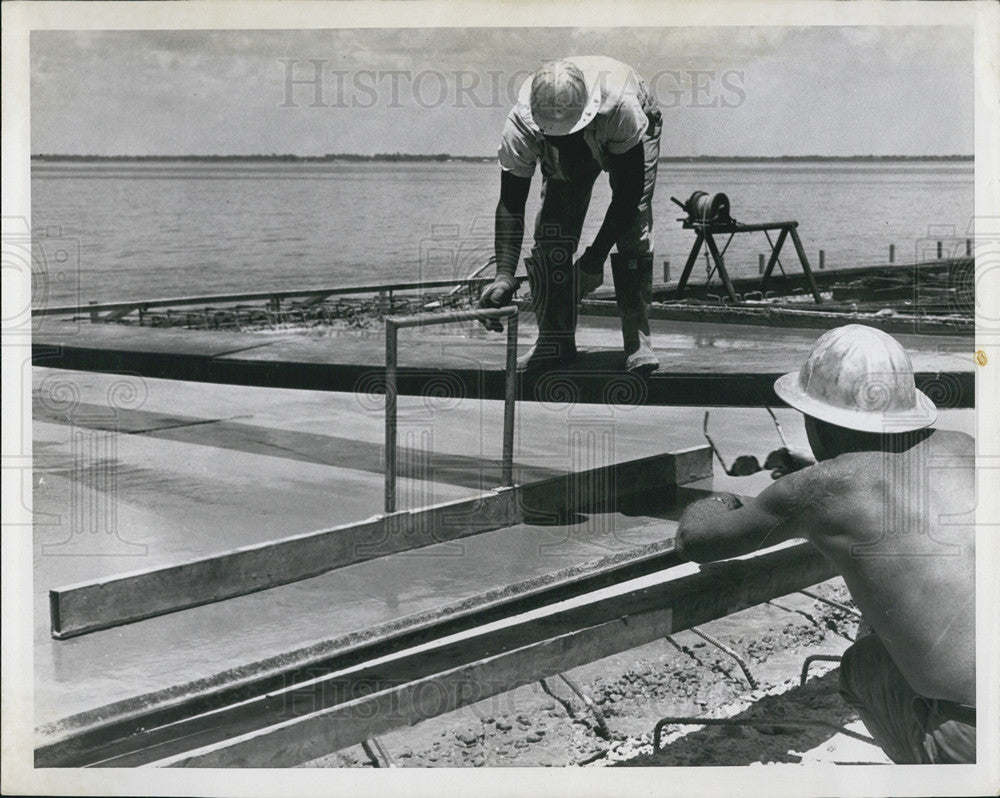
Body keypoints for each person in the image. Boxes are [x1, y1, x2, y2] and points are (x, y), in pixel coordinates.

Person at [675, 324, 976, 764]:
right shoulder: (966, 449)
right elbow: (888, 480)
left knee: (862, 665)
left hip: (974, 744)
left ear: (816, 421)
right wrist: (813, 472)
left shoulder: (820, 491)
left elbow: (692, 539)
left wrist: (729, 498)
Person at [477, 56, 662, 373]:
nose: (568, 141)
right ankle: (555, 340)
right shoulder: (521, 123)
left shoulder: (620, 108)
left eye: (573, 134)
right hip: (584, 124)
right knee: (551, 235)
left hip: (633, 119)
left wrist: (594, 258)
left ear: (588, 116)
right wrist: (504, 275)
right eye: (558, 137)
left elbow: (628, 195)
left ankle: (637, 340)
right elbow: (511, 202)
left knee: (633, 230)